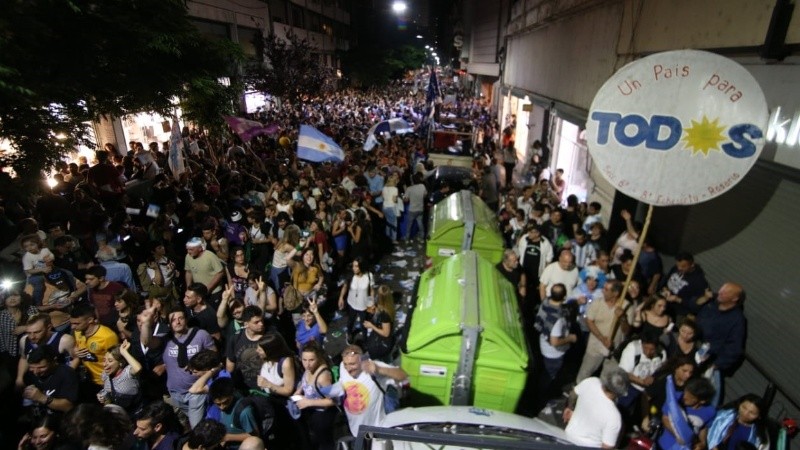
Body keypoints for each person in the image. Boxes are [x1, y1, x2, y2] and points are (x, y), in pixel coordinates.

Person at [330, 345, 409, 436]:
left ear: (362, 360)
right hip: (355, 431)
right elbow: (343, 381)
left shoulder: (373, 366)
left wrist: (379, 369)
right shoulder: (342, 367)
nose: (348, 369)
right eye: (346, 364)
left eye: (352, 364)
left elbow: (403, 376)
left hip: (376, 432)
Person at [695, 282, 747, 406]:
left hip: (708, 363)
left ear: (735, 298)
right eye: (721, 289)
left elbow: (734, 349)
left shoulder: (737, 320)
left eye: (726, 292)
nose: (720, 292)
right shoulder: (711, 305)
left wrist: (715, 365)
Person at [163, 309, 216, 428]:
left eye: (180, 318)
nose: (177, 322)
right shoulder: (166, 340)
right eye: (173, 320)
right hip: (175, 393)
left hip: (196, 391)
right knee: (202, 422)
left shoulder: (201, 335)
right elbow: (147, 341)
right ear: (169, 324)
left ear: (186, 319)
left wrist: (205, 371)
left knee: (196, 426)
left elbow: (214, 357)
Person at [575, 280, 635, 383]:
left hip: (614, 348)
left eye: (606, 289)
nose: (603, 291)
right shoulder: (597, 302)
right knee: (585, 373)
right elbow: (589, 321)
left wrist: (623, 318)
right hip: (595, 345)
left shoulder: (627, 307)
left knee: (607, 379)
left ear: (615, 293)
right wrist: (602, 339)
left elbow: (626, 331)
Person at [563, 367, 629, 448]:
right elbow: (607, 447)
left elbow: (573, 395)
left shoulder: (591, 382)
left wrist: (570, 408)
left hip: (568, 438)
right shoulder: (614, 417)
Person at [294, 341, 337, 450]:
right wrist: (298, 392)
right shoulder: (308, 370)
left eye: (311, 360)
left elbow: (332, 401)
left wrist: (308, 402)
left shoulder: (323, 377)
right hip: (310, 413)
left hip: (323, 416)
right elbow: (304, 384)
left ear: (318, 358)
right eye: (304, 360)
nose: (307, 364)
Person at [69, 303, 119, 394]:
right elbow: (77, 347)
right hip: (88, 380)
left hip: (106, 381)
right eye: (71, 323)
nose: (72, 327)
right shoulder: (77, 332)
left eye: (76, 323)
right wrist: (75, 351)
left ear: (90, 320)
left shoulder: (107, 337)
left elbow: (118, 360)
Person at [19, 346, 79, 421]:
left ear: (54, 361)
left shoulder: (67, 374)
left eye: (41, 367)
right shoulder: (30, 374)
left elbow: (68, 407)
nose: (36, 372)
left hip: (59, 420)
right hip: (38, 420)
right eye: (32, 367)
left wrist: (41, 397)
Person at [658, 377, 716, 450]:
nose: (684, 397)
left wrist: (702, 442)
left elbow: (703, 427)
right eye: (685, 392)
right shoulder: (675, 399)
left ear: (702, 401)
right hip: (665, 445)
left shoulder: (710, 411)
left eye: (691, 397)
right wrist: (678, 435)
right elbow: (665, 418)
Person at [206, 377, 259, 450]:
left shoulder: (244, 411)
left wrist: (227, 437)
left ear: (232, 393)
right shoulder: (223, 406)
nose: (222, 407)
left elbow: (255, 436)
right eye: (218, 404)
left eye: (225, 402)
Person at [225, 305, 265, 390]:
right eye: (256, 322)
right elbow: (230, 362)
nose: (261, 324)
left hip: (265, 385)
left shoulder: (270, 337)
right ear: (246, 324)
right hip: (243, 386)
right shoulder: (236, 338)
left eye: (261, 320)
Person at [660, 252, 710, 318]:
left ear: (692, 265)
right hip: (663, 300)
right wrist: (665, 289)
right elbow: (666, 280)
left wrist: (677, 299)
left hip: (679, 311)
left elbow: (696, 304)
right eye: (678, 265)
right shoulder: (676, 268)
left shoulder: (699, 282)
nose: (679, 268)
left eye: (683, 266)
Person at [184, 237, 226, 307]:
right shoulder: (188, 257)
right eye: (187, 249)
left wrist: (208, 289)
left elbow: (220, 272)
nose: (189, 252)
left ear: (200, 248)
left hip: (214, 292)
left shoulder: (210, 256)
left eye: (191, 249)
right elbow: (189, 272)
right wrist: (188, 288)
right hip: (199, 293)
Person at [84, 265, 126, 330]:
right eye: (86, 279)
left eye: (91, 279)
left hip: (116, 324)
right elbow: (95, 307)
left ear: (101, 278)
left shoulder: (116, 288)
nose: (86, 282)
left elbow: (125, 306)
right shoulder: (91, 289)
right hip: (102, 324)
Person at [403, 172, 427, 241]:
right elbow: (425, 195)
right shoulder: (422, 186)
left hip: (412, 209)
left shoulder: (409, 188)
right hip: (420, 208)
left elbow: (406, 200)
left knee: (409, 224)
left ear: (412, 180)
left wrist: (404, 198)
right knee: (420, 223)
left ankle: (407, 237)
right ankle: (422, 237)